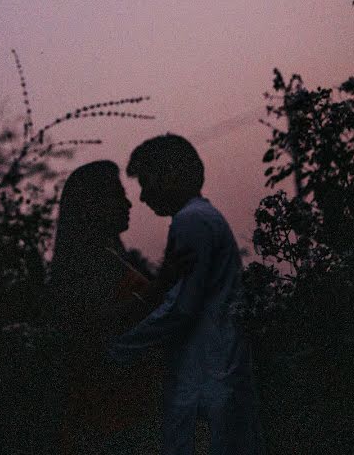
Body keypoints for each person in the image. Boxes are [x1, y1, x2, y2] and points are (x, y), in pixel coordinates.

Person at [108, 134, 264, 455]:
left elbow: (181, 309)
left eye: (147, 182)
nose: (143, 196)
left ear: (171, 176)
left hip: (205, 381)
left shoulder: (190, 221)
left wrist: (120, 348)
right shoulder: (202, 218)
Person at [47, 160, 171, 455]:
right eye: (117, 195)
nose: (128, 203)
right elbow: (90, 332)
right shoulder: (83, 269)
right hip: (111, 426)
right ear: (93, 204)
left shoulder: (114, 260)